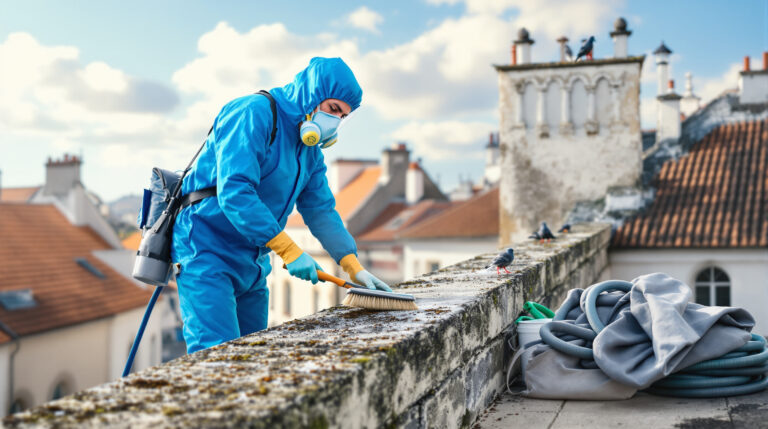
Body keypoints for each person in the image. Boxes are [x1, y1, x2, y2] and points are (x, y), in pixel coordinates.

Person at [171, 57, 392, 353]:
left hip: (253, 259)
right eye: (333, 109)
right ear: (312, 95)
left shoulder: (309, 151)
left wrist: (352, 265)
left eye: (343, 117)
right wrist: (289, 250)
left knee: (253, 352)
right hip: (207, 248)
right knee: (217, 355)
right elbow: (235, 191)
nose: (336, 121)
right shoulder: (253, 113)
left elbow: (320, 209)